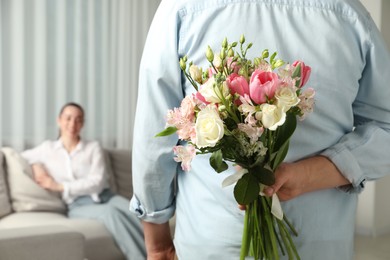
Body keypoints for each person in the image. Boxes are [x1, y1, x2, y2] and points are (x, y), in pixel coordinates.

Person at [130, 0, 390, 259]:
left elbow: (153, 136)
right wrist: (315, 172)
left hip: (211, 242)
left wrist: (158, 244)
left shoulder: (182, 8)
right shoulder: (348, 13)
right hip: (319, 244)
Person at [21, 102, 146, 260]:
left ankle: (161, 253)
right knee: (111, 213)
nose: (73, 124)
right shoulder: (47, 149)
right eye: (68, 118)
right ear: (59, 120)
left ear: (83, 123)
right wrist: (36, 165)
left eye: (78, 119)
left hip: (107, 196)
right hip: (77, 204)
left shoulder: (93, 148)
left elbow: (97, 182)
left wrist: (59, 186)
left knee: (135, 211)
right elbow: (20, 157)